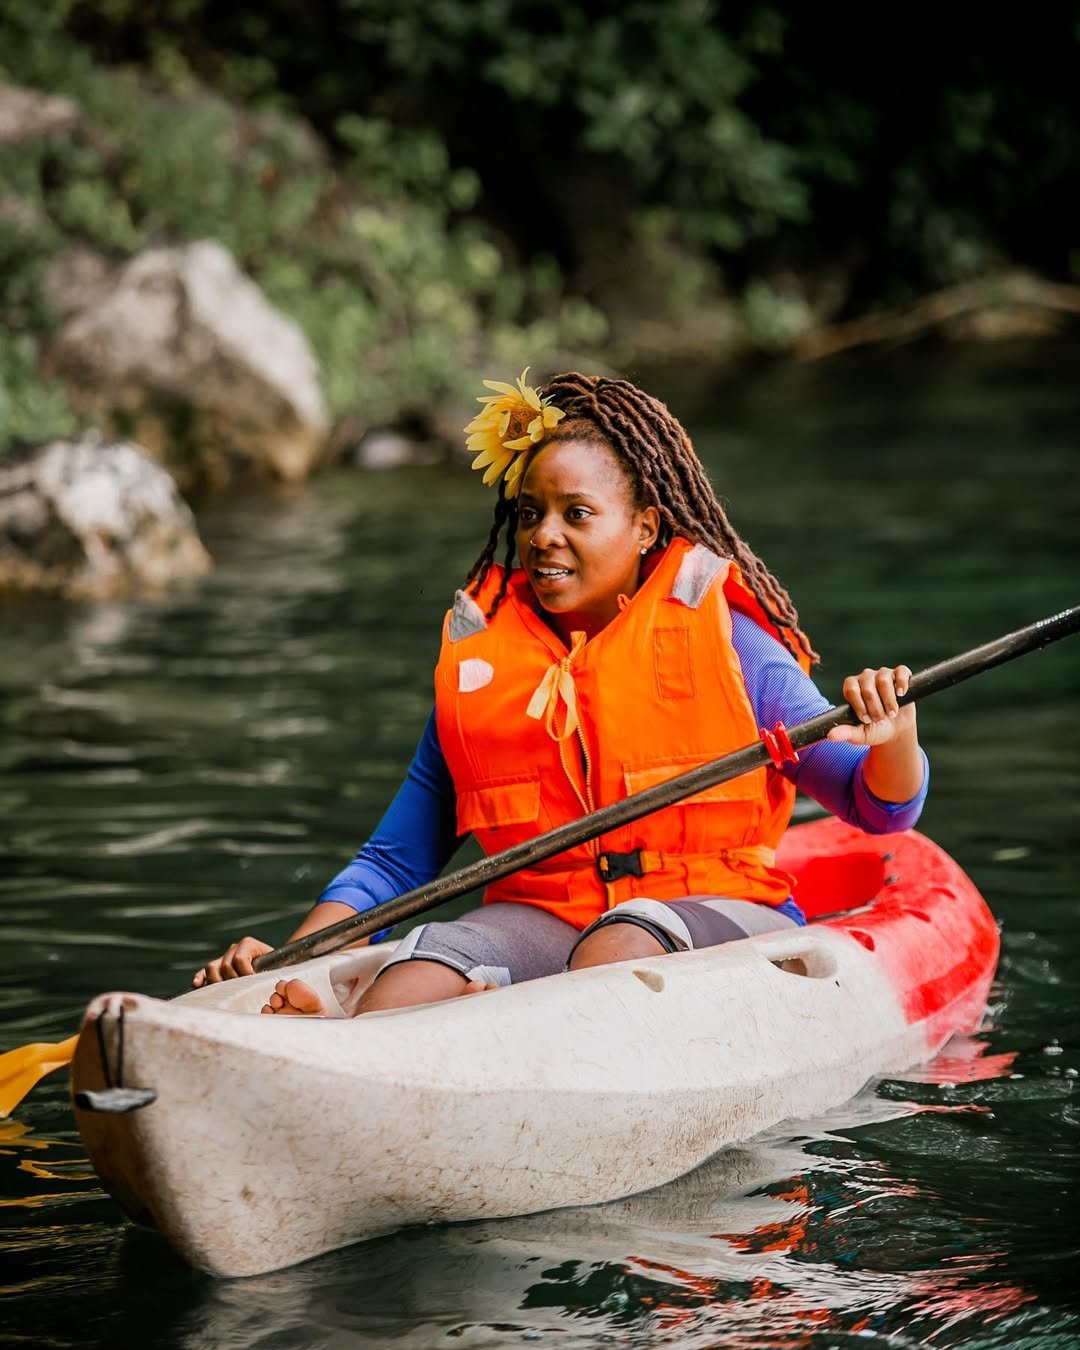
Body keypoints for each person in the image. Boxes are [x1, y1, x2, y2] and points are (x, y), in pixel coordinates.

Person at [192, 370, 927, 1016]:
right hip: (545, 916)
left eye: (576, 513)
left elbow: (879, 806)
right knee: (413, 978)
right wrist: (287, 967)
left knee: (619, 946)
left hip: (716, 911)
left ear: (644, 529)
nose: (543, 535)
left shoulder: (730, 642)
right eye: (530, 513)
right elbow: (392, 864)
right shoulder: (483, 669)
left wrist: (894, 735)